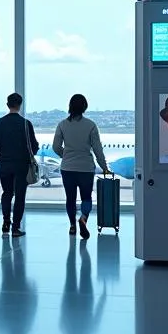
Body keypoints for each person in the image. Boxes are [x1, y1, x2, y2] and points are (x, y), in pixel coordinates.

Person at [52, 93, 110, 239]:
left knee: (70, 198)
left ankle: (72, 226)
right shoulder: (91, 125)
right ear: (85, 107)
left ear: (70, 107)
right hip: (85, 168)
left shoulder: (62, 124)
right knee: (86, 197)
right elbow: (98, 149)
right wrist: (104, 167)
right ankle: (83, 218)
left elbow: (55, 146)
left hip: (68, 168)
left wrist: (65, 155)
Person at [0, 92, 38, 237]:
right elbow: (33, 146)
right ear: (20, 105)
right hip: (22, 165)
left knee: (7, 193)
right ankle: (15, 228)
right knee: (20, 196)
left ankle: (5, 222)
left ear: (7, 105)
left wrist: (1, 156)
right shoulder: (26, 124)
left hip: (5, 165)